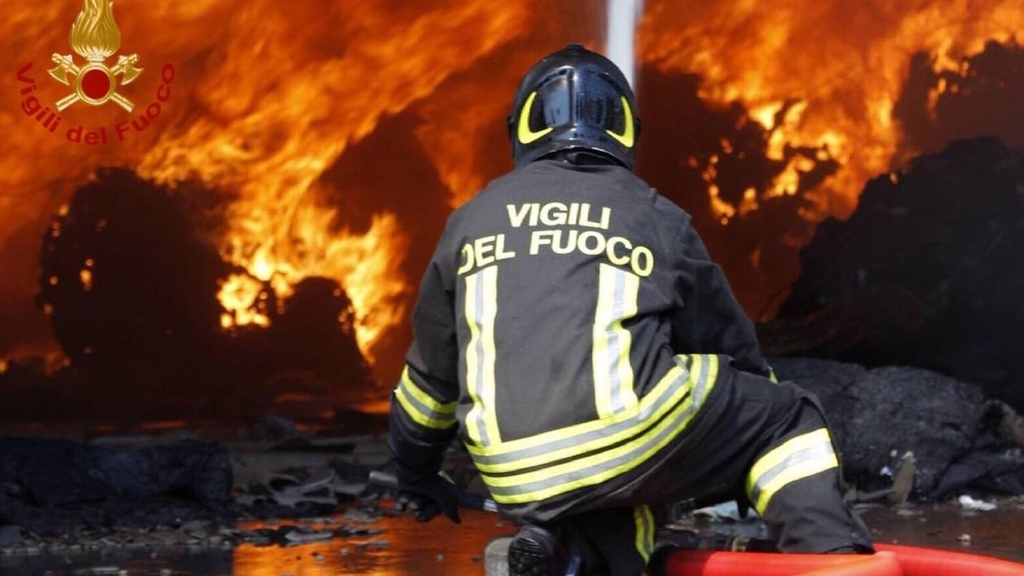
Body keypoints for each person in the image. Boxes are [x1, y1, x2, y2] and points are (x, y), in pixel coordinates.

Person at [387, 43, 874, 576]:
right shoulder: (654, 215)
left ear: (522, 128)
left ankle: (570, 555)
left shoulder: (470, 220)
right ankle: (833, 560)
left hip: (511, 471)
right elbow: (727, 347)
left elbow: (428, 386)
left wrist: (416, 474)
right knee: (784, 416)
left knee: (617, 471)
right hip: (628, 435)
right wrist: (749, 430)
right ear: (623, 130)